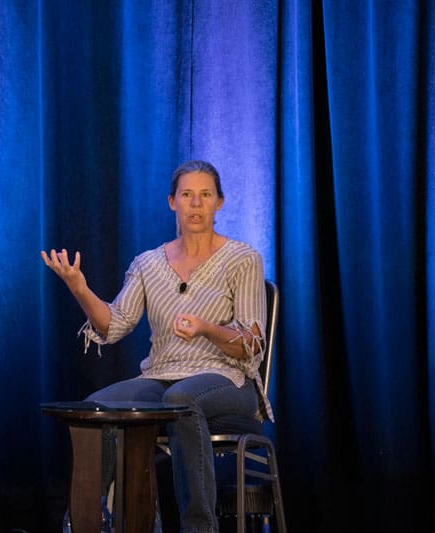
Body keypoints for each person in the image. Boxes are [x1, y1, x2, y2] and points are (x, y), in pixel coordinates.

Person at [41, 160, 272, 532]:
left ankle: (199, 527)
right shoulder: (148, 264)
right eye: (187, 194)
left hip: (229, 380)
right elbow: (113, 325)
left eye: (205, 195)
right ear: (171, 202)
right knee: (96, 408)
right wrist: (79, 288)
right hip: (163, 376)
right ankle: (91, 522)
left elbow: (250, 345)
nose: (195, 204)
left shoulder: (242, 260)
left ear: (219, 202)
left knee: (181, 399)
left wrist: (206, 328)